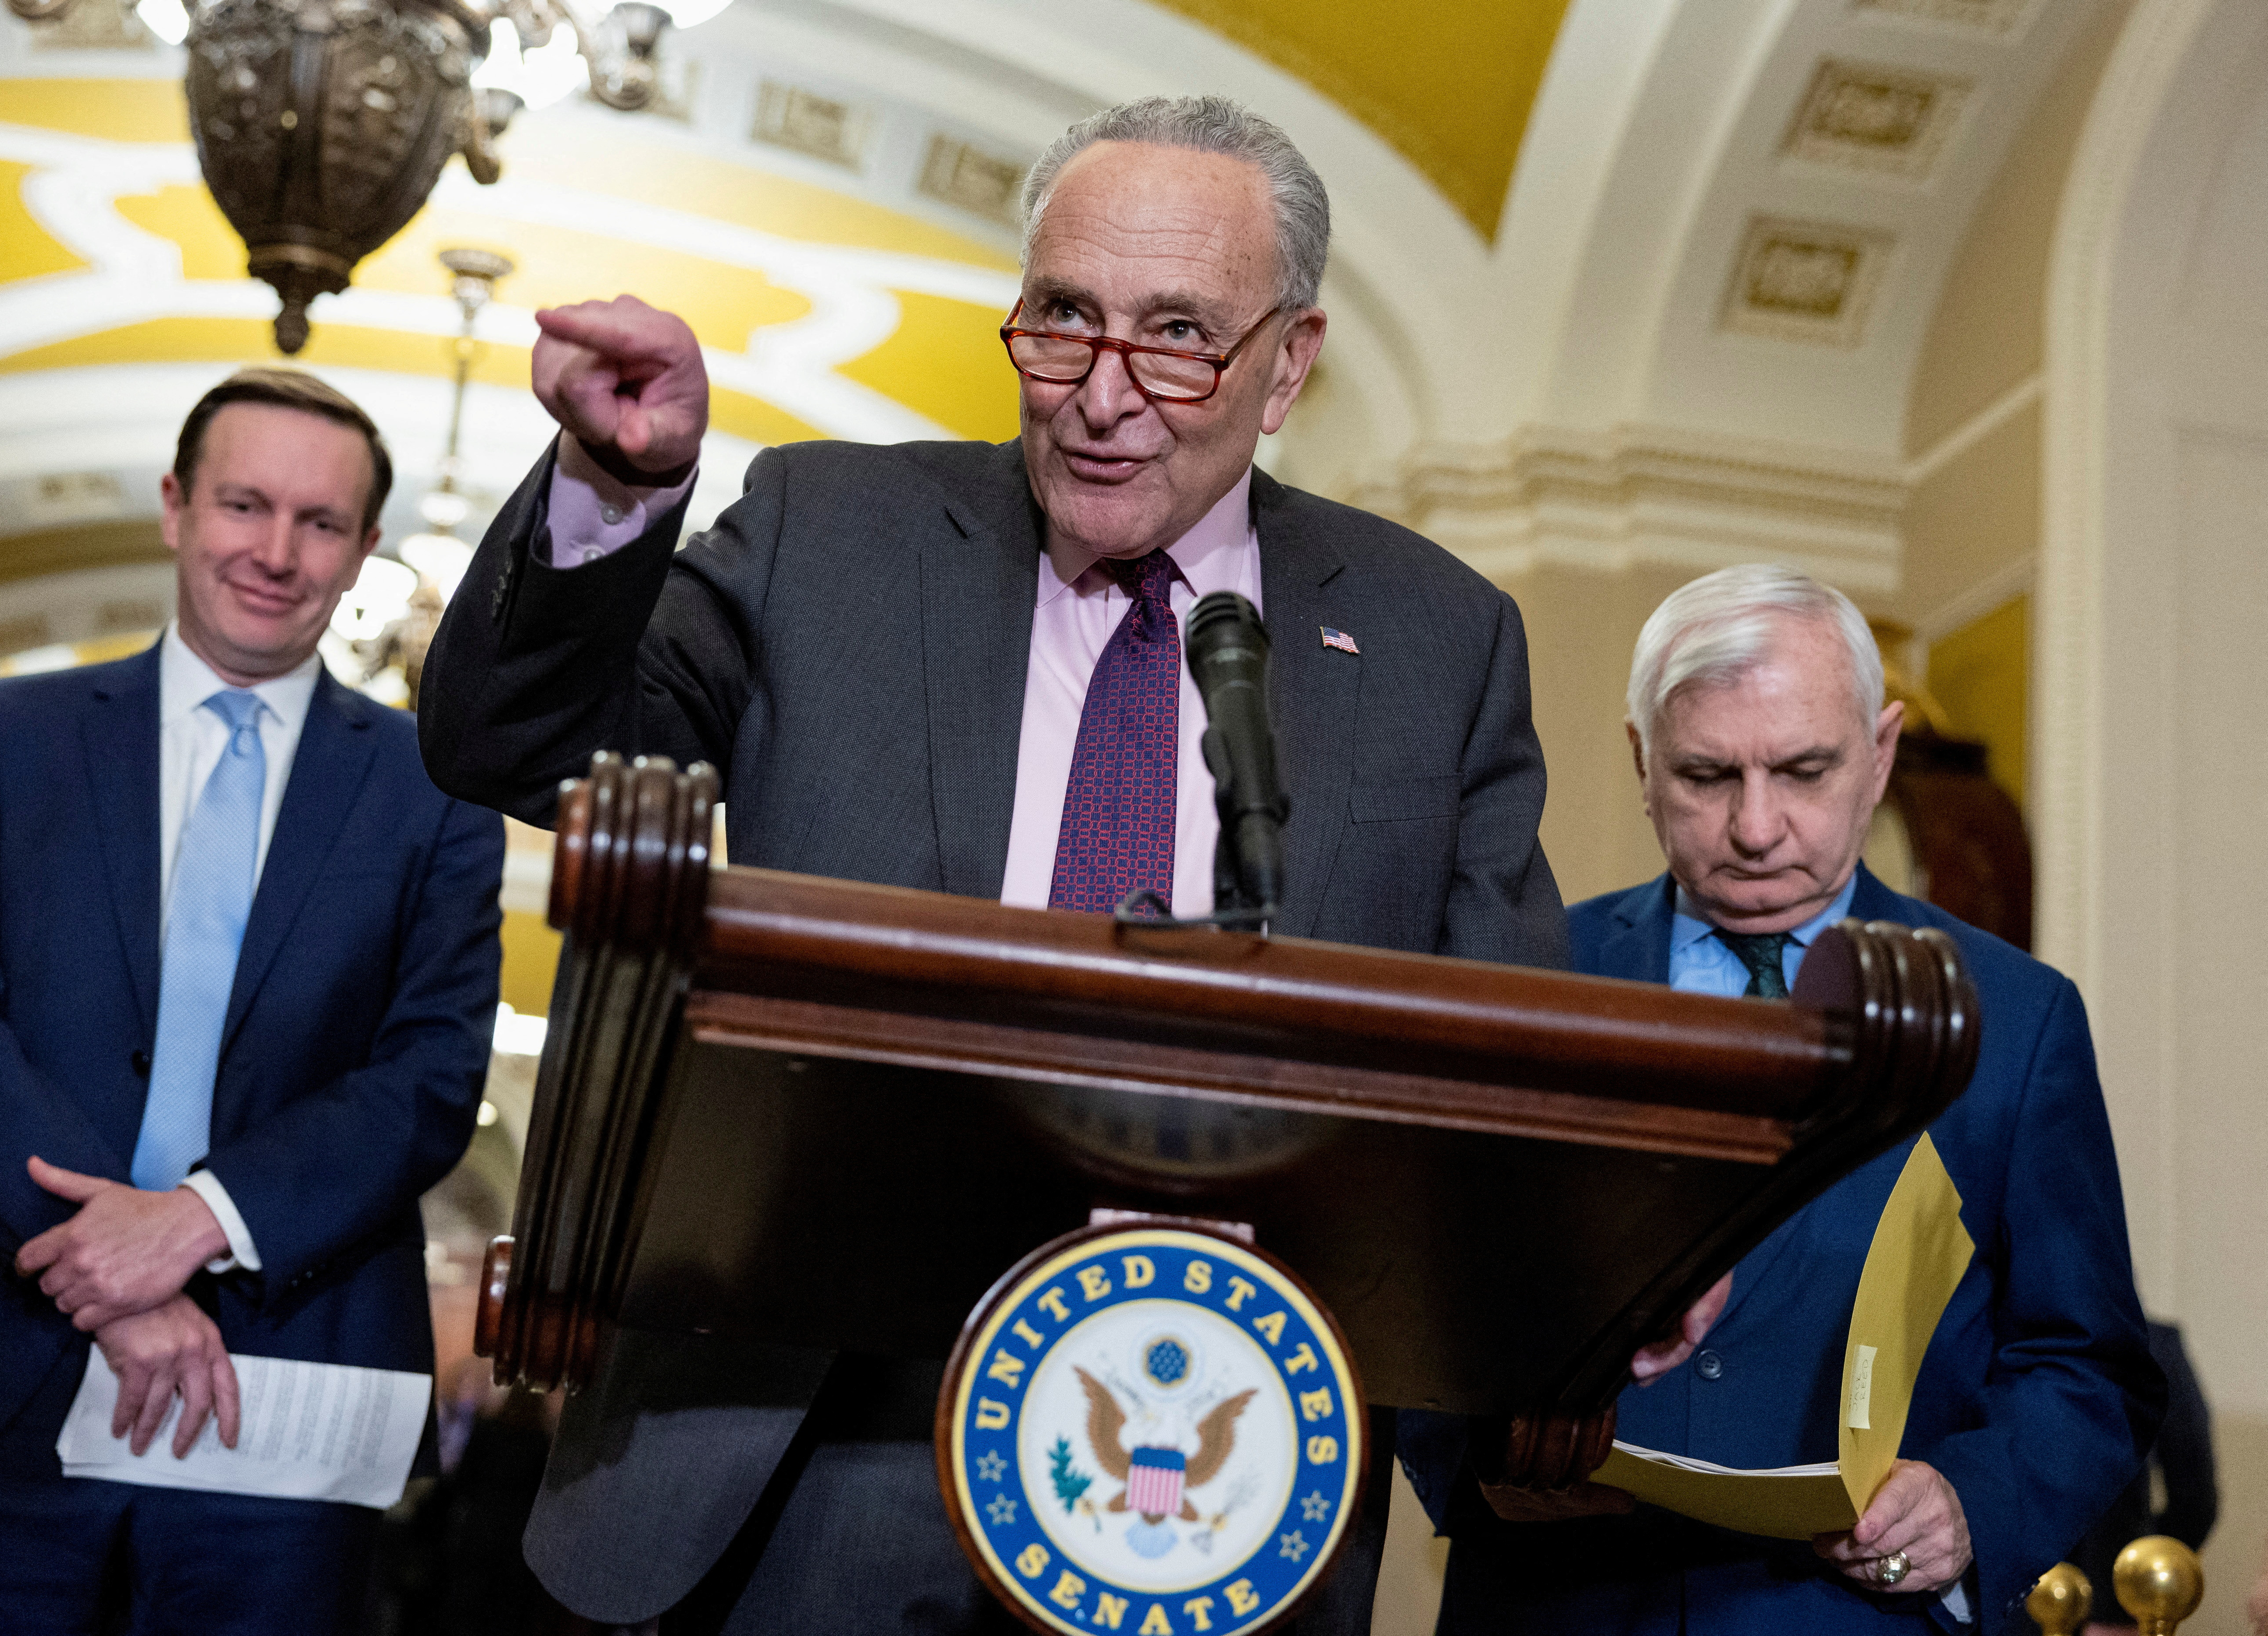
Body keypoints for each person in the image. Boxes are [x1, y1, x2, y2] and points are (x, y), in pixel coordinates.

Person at [418, 94, 1577, 1634]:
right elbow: (515, 742)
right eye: (1064, 322)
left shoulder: (1436, 639)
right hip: (805, 1434)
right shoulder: (829, 531)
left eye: (1176, 336)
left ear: (1289, 361)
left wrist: (1592, 1266)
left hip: (1215, 1462)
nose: (1103, 395)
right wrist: (613, 493)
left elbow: (1515, 1059)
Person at [0, 369, 507, 1633]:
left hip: (279, 1400)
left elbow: (428, 1077)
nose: (278, 553)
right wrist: (113, 1274)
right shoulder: (3, 732)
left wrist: (196, 1219)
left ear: (363, 551)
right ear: (176, 507)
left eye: (322, 523)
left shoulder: (439, 793)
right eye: (246, 505)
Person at [1403, 564, 2164, 1633]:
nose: (1757, 828)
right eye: (1708, 775)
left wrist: (1970, 1502)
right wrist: (1489, 1452)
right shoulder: (1528, 974)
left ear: (1882, 751)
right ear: (1641, 761)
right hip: (1557, 1598)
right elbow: (1408, 1282)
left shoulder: (2018, 1015)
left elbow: (2088, 1360)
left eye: (1804, 770)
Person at [2075, 1321, 2215, 1636]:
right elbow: (2196, 1497)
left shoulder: (2151, 1346)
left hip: (2103, 1607)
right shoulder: (2153, 1344)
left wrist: (2132, 1587)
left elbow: (2193, 1499)